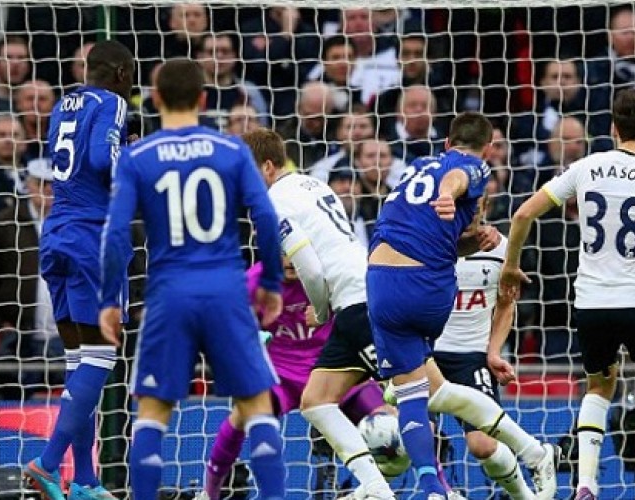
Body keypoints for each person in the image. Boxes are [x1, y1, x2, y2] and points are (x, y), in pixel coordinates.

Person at [500, 89, 635, 500]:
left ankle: (585, 485)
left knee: (598, 388)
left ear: (613, 129)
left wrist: (510, 263)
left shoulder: (586, 167)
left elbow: (523, 213)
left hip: (591, 304)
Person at [96, 59, 287, 500]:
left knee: (152, 412)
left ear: (156, 98)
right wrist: (272, 283)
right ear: (204, 99)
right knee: (256, 405)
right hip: (226, 289)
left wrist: (109, 299)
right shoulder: (234, 150)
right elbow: (265, 217)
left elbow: (116, 233)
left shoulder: (137, 157)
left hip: (168, 294)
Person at [367, 112, 557, 499]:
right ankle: (440, 488)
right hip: (419, 291)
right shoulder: (472, 168)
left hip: (386, 286)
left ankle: (429, 483)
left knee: (413, 396)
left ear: (446, 143)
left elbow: (455, 181)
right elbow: (458, 184)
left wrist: (448, 195)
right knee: (422, 394)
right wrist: (451, 199)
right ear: (488, 149)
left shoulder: (421, 167)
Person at [198, 134, 388, 500]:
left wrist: (319, 309)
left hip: (331, 358)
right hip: (282, 372)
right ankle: (209, 493)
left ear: (266, 168)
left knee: (390, 407)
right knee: (243, 414)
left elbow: (313, 269)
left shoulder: (287, 223)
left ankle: (430, 485)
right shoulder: (257, 280)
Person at [23, 40, 135, 500]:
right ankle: (48, 463)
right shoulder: (114, 102)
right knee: (102, 358)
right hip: (95, 238)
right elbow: (100, 161)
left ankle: (85, 479)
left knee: (78, 363)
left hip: (57, 232)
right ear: (122, 72)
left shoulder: (63, 105)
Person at [431, 230, 535, 500]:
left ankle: (525, 495)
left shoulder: (501, 248)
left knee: (483, 445)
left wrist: (494, 352)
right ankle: (440, 493)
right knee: (417, 435)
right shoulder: (427, 239)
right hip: (425, 353)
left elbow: (506, 303)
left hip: (471, 357)